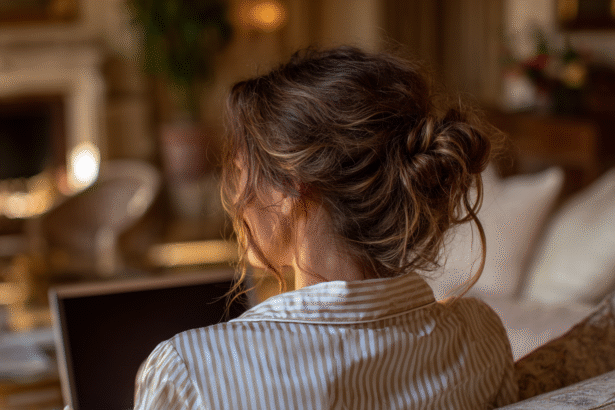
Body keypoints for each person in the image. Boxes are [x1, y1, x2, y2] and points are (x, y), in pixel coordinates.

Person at [134, 46, 518, 409]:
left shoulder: (191, 374)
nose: (236, 200)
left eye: (239, 172)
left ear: (289, 183)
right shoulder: (479, 338)